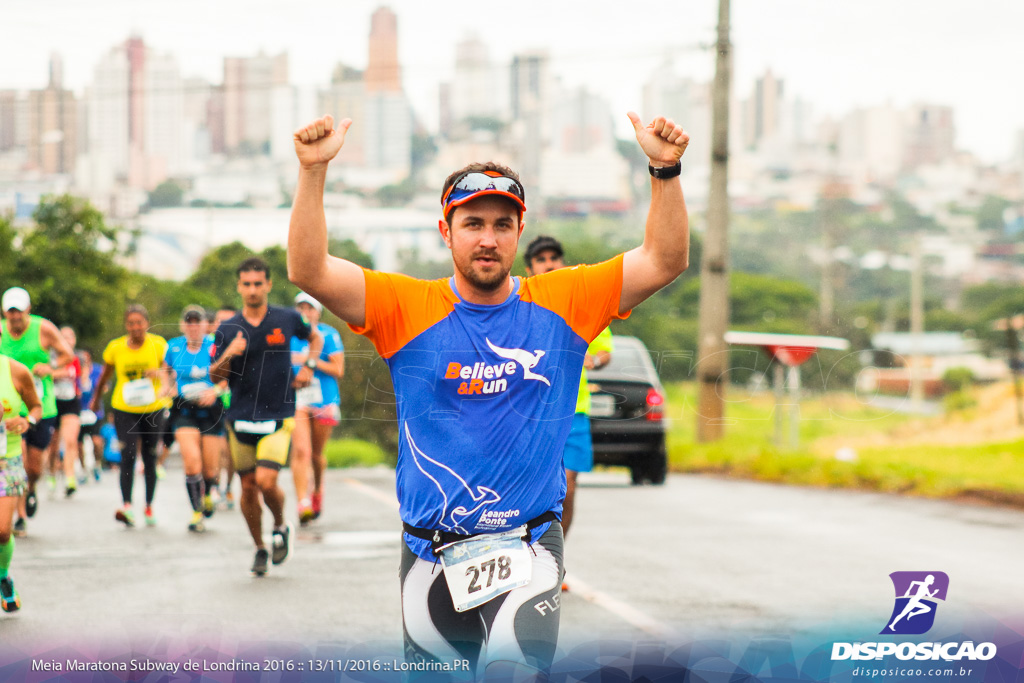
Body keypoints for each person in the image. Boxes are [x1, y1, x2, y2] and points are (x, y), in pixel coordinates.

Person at [288, 111, 689, 676]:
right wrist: (312, 172)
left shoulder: (566, 300)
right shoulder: (405, 306)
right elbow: (309, 269)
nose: (487, 238)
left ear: (519, 234)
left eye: (503, 225)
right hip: (430, 553)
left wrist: (665, 170)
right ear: (446, 231)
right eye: (473, 223)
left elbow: (664, 260)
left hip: (529, 544)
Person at [210, 258, 322, 575]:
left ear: (268, 285)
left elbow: (316, 338)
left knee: (265, 480)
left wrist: (309, 368)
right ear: (238, 287)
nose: (252, 290)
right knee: (247, 488)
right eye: (246, 284)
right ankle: (260, 547)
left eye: (258, 283)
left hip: (279, 413)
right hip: (241, 415)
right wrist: (231, 353)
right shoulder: (227, 328)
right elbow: (215, 375)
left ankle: (280, 525)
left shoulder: (287, 318)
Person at [523, 236, 614, 565]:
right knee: (529, 489)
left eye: (554, 257)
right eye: (541, 259)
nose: (549, 263)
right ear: (529, 268)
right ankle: (523, 554)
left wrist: (594, 360)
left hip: (574, 412)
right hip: (529, 414)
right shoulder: (517, 304)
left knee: (568, 488)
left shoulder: (580, 304)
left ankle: (553, 557)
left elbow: (603, 350)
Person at [0, 287, 75, 537]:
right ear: (4, 313)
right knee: (17, 459)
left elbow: (68, 354)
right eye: (10, 312)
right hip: (11, 411)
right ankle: (19, 516)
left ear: (28, 310)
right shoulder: (1, 332)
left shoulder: (43, 328)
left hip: (40, 406)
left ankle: (30, 489)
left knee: (33, 467)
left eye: (19, 312)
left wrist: (50, 366)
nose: (15, 317)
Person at [90, 305, 171, 527]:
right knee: (127, 455)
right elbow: (104, 377)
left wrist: (160, 374)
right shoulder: (115, 347)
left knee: (150, 455)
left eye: (139, 322)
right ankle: (127, 506)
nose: (135, 327)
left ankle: (148, 506)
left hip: (152, 407)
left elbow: (170, 372)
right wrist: (96, 400)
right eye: (131, 323)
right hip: (124, 407)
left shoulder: (158, 344)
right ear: (126, 325)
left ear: (147, 323)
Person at [164, 305, 227, 533]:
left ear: (204, 325)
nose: (193, 326)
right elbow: (165, 371)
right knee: (192, 461)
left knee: (210, 469)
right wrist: (169, 389)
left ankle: (209, 491)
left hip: (210, 409)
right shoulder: (173, 347)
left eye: (197, 322)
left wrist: (215, 392)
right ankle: (196, 512)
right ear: (183, 325)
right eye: (188, 322)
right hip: (184, 409)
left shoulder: (215, 346)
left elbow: (228, 377)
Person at [290, 291, 344, 524]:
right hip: (297, 399)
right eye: (301, 308)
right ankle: (302, 503)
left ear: (318, 312)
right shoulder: (289, 335)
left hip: (324, 399)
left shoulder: (329, 335)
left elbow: (338, 370)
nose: (305, 313)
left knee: (316, 455)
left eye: (309, 308)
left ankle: (318, 488)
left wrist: (308, 361)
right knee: (301, 450)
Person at [0, 320, 44, 612]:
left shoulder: (15, 371)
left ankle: (3, 576)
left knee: (2, 532)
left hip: (8, 459)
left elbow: (36, 407)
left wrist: (27, 421)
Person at [48, 326, 84, 497]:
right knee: (53, 444)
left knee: (70, 441)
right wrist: (55, 372)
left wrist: (53, 373)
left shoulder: (77, 358)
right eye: (64, 337)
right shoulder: (49, 356)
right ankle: (52, 474)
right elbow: (45, 373)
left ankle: (70, 478)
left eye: (71, 336)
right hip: (52, 402)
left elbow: (74, 373)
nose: (68, 340)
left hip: (71, 402)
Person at [210, 306, 238, 510]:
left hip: (236, 403)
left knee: (230, 453)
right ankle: (215, 486)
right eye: (220, 321)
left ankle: (227, 485)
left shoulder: (243, 342)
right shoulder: (210, 344)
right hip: (213, 403)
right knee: (219, 450)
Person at [77, 349, 106, 478]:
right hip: (79, 412)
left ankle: (97, 463)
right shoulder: (74, 372)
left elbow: (104, 387)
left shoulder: (97, 370)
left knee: (97, 441)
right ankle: (83, 469)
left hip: (94, 412)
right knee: (79, 444)